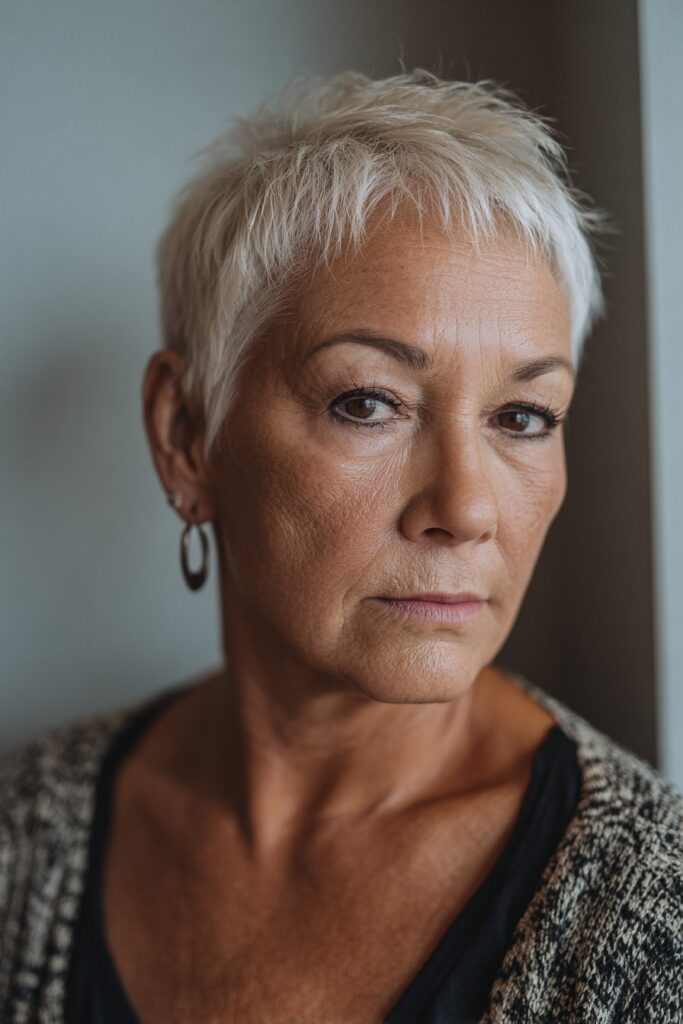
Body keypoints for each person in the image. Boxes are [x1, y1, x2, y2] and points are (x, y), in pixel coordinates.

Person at [1, 69, 681, 1024]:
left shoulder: (658, 912)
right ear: (186, 434)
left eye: (522, 415)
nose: (465, 507)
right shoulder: (23, 835)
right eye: (368, 402)